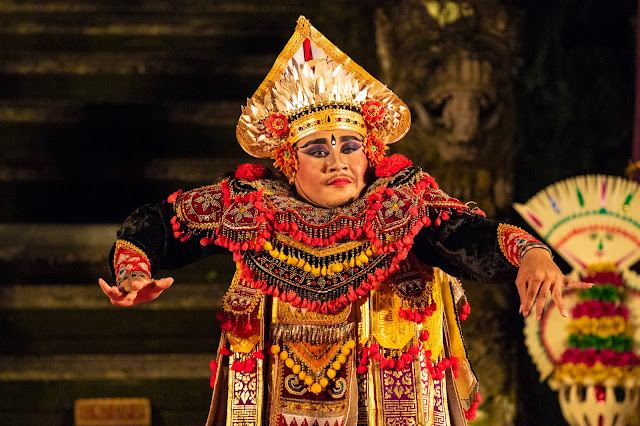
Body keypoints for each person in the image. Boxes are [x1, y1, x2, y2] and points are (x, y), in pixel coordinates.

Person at [99, 16, 591, 426]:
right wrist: (134, 269)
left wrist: (532, 253)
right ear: (291, 163)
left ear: (369, 152)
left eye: (350, 145)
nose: (337, 160)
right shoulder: (252, 207)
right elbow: (163, 222)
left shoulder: (402, 206)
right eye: (318, 148)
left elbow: (470, 238)